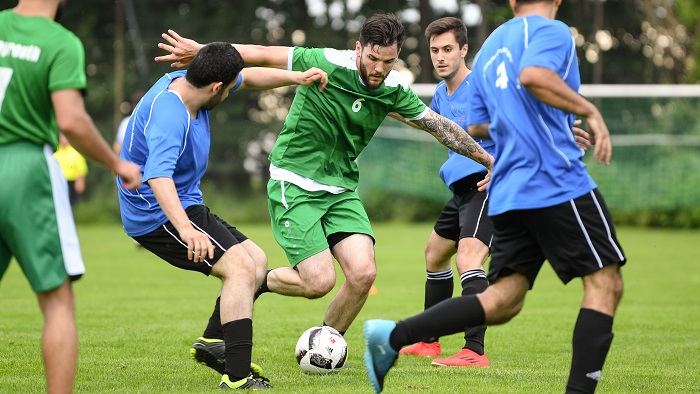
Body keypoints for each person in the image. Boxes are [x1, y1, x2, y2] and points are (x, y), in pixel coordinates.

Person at [155, 12, 495, 366]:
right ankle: (252, 282)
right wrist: (203, 51)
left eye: (389, 62)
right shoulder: (326, 61)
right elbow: (260, 51)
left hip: (342, 189)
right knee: (318, 282)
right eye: (373, 59)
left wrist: (487, 159)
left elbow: (440, 127)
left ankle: (323, 347)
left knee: (363, 275)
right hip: (295, 181)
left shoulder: (394, 92)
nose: (379, 69)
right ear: (359, 48)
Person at [364, 1, 626, 393]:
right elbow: (535, 75)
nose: (440, 56)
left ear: (511, 2)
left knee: (504, 298)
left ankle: (394, 335)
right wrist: (588, 111)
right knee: (606, 282)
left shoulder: (492, 47)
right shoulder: (552, 31)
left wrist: (547, 125)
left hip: (507, 186)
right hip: (552, 178)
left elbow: (480, 123)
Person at [118, 42, 328, 389]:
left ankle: (213, 343)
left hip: (185, 203)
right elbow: (157, 177)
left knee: (257, 262)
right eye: (230, 88)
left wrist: (296, 77)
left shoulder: (192, 81)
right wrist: (186, 230)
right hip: (155, 213)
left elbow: (251, 76)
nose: (233, 90)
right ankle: (237, 376)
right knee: (240, 269)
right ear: (216, 87)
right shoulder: (172, 115)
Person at [0, 1, 142, 393]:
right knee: (57, 302)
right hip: (24, 166)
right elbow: (71, 120)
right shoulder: (61, 42)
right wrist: (118, 164)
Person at [386, 17, 495, 367]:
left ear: (464, 49)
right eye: (435, 50)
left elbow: (518, 122)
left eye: (448, 49)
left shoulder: (482, 85)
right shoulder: (440, 92)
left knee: (468, 260)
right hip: (461, 190)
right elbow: (429, 123)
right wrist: (385, 105)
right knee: (435, 254)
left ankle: (474, 351)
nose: (440, 57)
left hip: (487, 185)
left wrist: (505, 166)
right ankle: (429, 341)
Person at [54, 133, 88, 207]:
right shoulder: (55, 150)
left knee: (70, 204)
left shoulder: (75, 151)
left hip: (71, 182)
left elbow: (81, 168)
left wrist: (80, 181)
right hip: (58, 181)